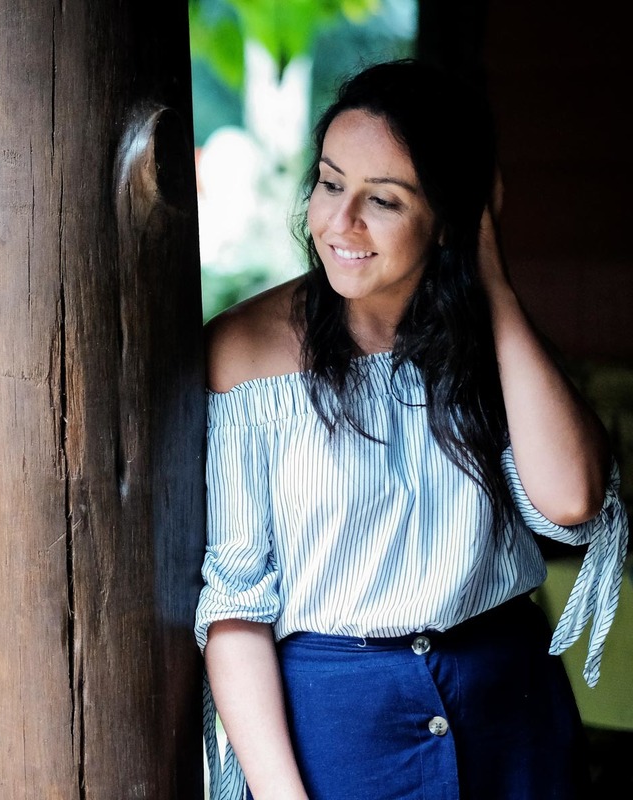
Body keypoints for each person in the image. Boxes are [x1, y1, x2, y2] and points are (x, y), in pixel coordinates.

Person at [195, 59, 629, 800]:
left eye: (383, 200)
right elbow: (235, 609)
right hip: (339, 730)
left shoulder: (488, 346)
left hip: (510, 712)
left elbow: (573, 499)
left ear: (451, 217)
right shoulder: (246, 354)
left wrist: (492, 280)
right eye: (330, 184)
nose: (341, 223)